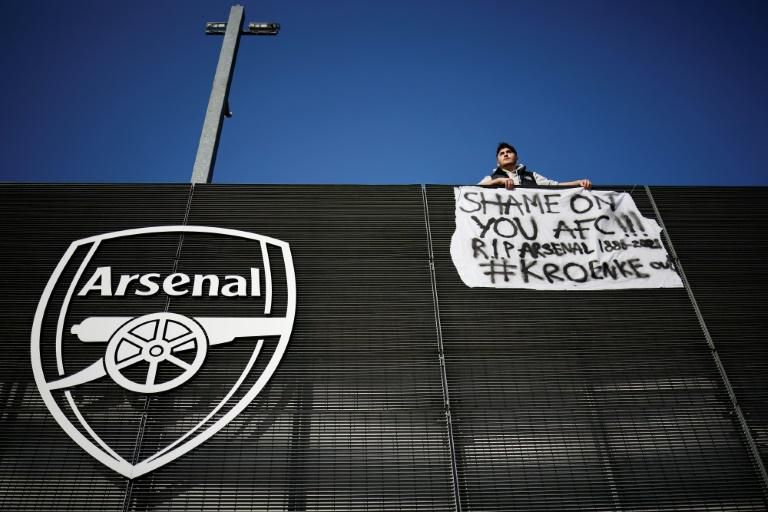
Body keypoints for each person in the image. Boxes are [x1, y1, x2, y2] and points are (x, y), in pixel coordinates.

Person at [479, 142, 591, 189]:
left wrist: (578, 183)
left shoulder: (532, 176)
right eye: (502, 154)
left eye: (509, 152)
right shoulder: (491, 178)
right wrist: (497, 181)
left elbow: (554, 186)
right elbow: (472, 191)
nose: (506, 154)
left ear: (516, 158)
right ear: (497, 162)